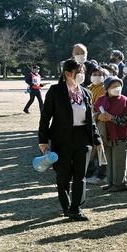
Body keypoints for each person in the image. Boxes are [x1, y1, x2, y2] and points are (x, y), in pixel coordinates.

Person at [38, 59, 103, 221]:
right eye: (79, 72)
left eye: (82, 72)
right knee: (63, 174)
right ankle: (65, 206)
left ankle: (76, 208)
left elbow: (91, 120)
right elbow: (46, 117)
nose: (82, 75)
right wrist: (43, 140)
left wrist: (97, 139)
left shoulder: (86, 93)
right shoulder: (55, 91)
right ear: (67, 74)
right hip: (61, 138)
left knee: (80, 175)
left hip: (83, 137)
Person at [94, 76, 127, 192]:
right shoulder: (101, 100)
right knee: (109, 160)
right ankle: (110, 182)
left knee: (119, 161)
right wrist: (98, 116)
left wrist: (112, 118)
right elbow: (93, 112)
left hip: (121, 135)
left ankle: (120, 183)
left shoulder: (125, 100)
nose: (117, 88)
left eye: (119, 86)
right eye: (114, 86)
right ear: (107, 88)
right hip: (105, 135)